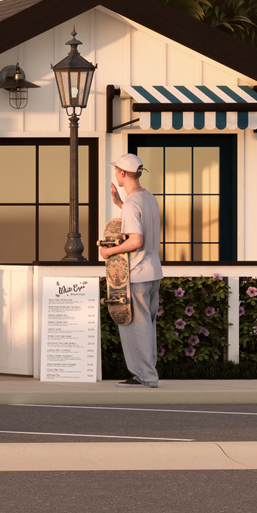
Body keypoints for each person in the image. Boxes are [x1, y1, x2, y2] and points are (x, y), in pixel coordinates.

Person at [105, 152, 164, 387]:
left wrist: (109, 252)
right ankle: (148, 374)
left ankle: (145, 377)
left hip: (137, 273)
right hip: (153, 272)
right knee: (147, 328)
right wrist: (121, 204)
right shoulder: (149, 198)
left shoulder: (132, 203)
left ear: (121, 173)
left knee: (135, 328)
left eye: (116, 170)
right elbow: (142, 223)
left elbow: (135, 240)